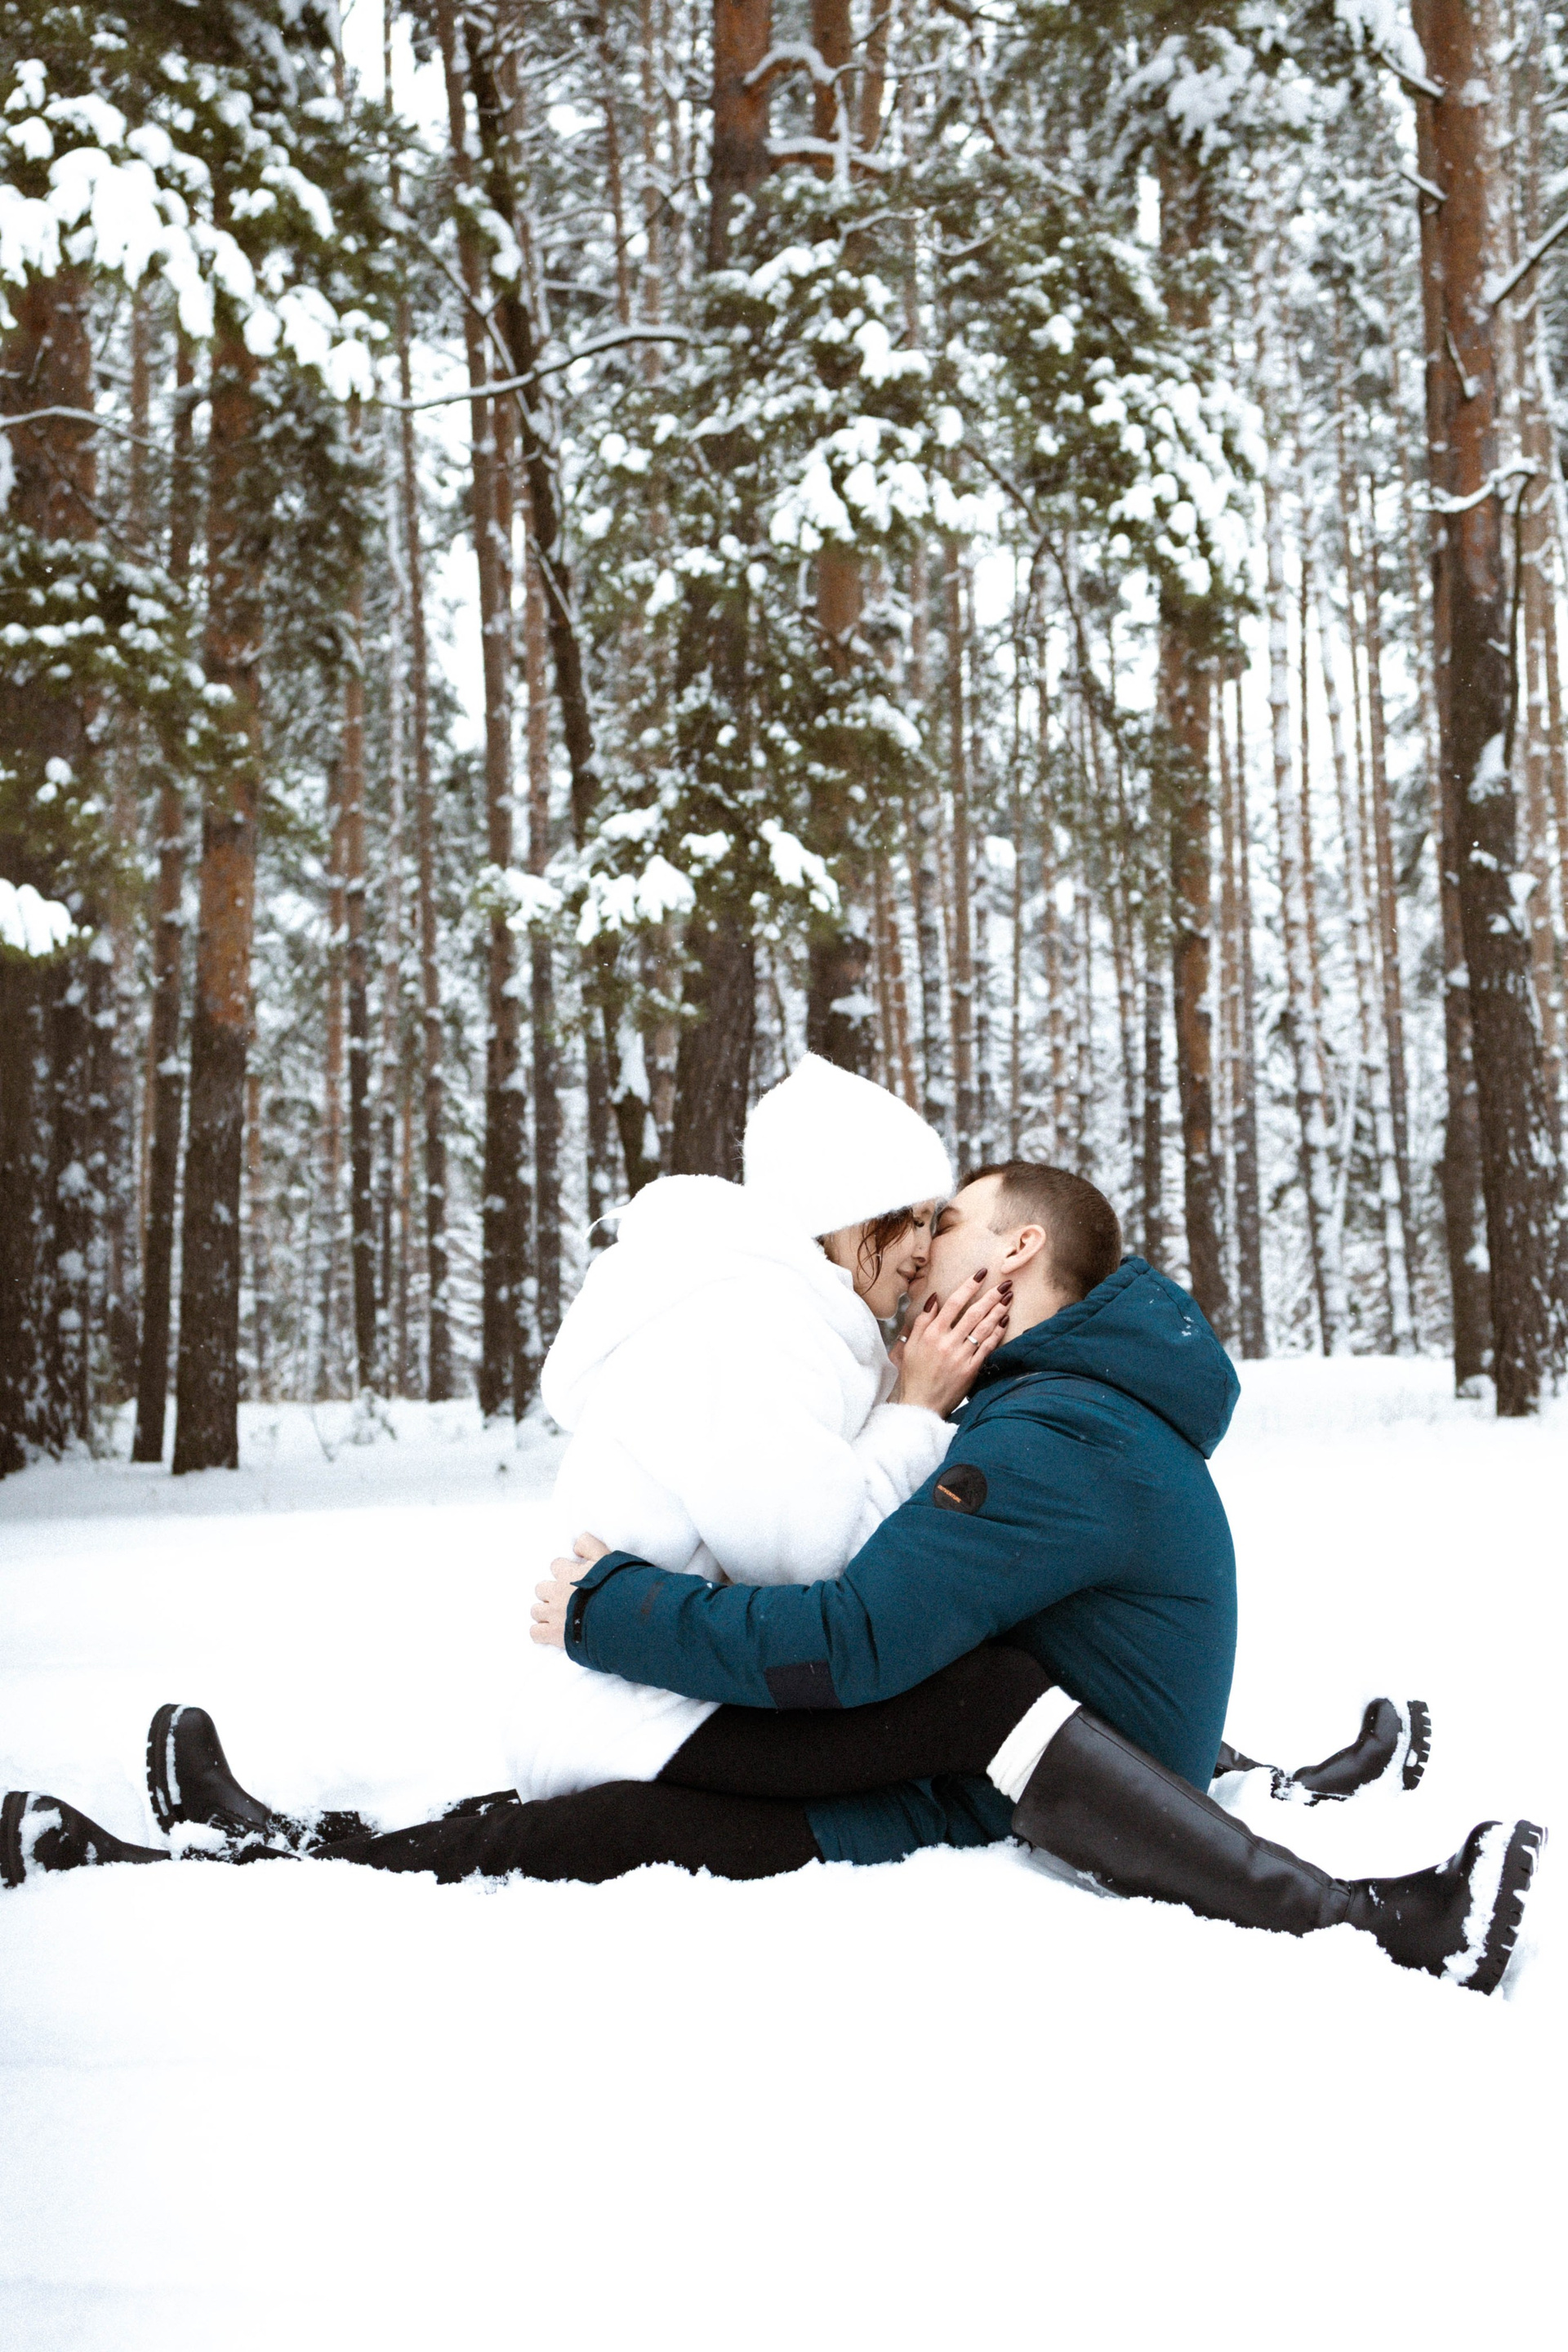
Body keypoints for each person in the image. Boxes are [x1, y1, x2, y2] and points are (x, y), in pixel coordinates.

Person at [3, 1161, 1536, 1994]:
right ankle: (279, 1841)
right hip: (969, 1767)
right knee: (609, 1813)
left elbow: (860, 1634)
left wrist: (611, 1609)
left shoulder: (1048, 1439)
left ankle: (1368, 1920)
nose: (922, 1251)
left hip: (966, 1782)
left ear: (1010, 1265)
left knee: (610, 1826)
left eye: (950, 1226)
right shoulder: (1074, 1409)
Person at [506, 1052, 1008, 1804]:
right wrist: (915, 1410)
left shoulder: (799, 1319)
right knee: (973, 1715)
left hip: (685, 1684)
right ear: (839, 1207)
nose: (921, 1246)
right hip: (629, 1712)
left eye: (931, 1220)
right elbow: (812, 1566)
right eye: (905, 1216)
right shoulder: (747, 1321)